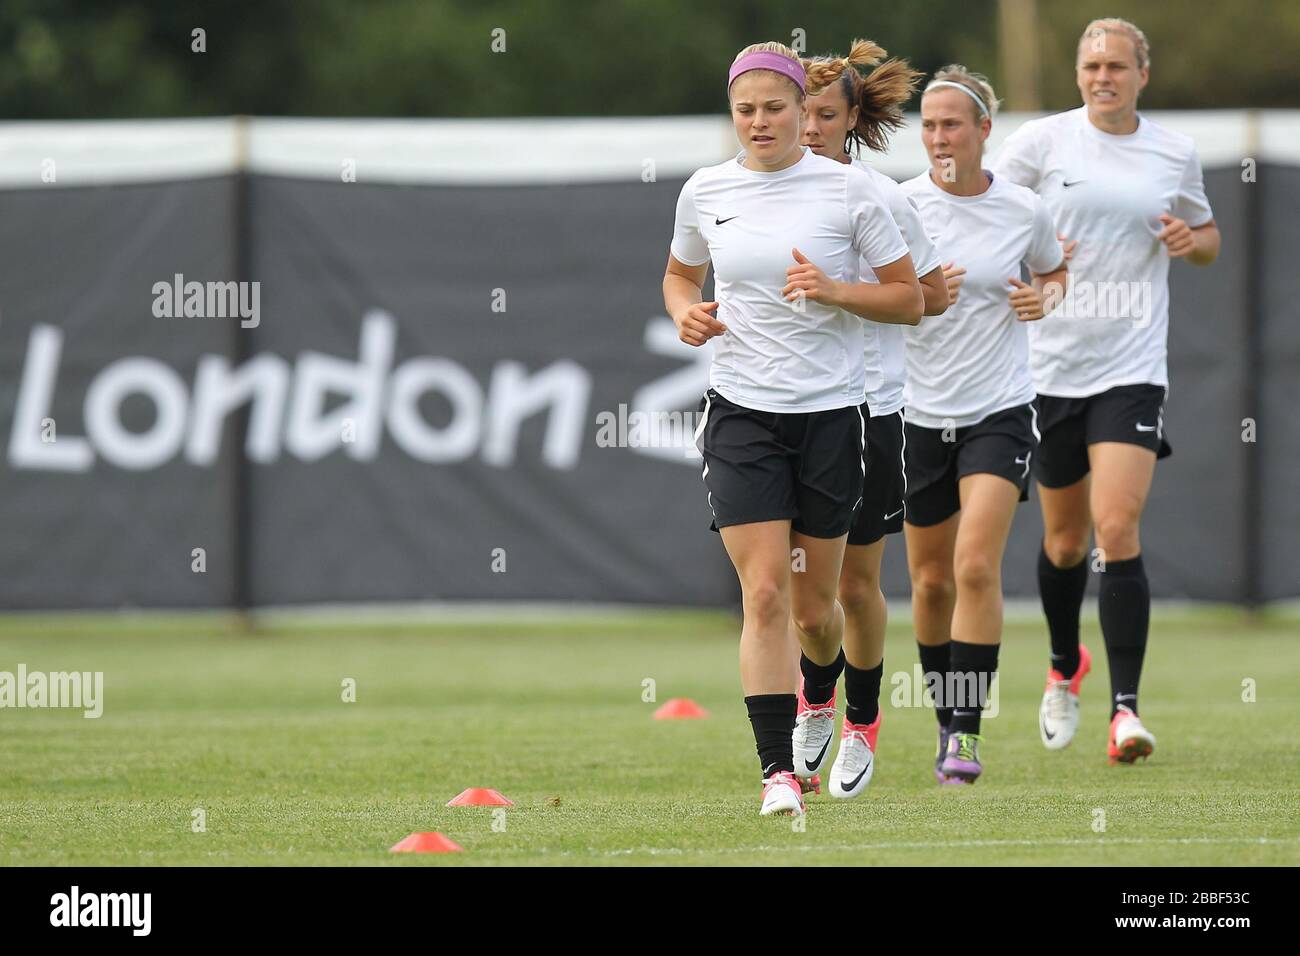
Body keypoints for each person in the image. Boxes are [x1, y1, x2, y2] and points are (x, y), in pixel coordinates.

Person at [664, 41, 922, 816]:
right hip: (741, 412)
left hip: (834, 417)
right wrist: (688, 314)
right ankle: (777, 772)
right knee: (768, 592)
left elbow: (911, 298)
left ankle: (839, 702)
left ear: (801, 111)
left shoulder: (850, 193)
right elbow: (680, 274)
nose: (761, 121)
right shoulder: (705, 190)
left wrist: (837, 290)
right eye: (746, 110)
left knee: (818, 608)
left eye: (775, 107)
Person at [991, 18, 1220, 763]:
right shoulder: (1041, 144)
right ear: (1080, 72)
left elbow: (1207, 237)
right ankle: (1064, 668)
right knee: (1064, 542)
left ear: (1141, 74)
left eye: (1117, 66)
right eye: (1092, 65)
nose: (1102, 78)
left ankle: (1126, 711)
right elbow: (987, 214)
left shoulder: (1173, 152)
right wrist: (1034, 258)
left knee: (1116, 528)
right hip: (1050, 369)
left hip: (1131, 365)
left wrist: (1192, 244)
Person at [900, 65, 1068, 783]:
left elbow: (1055, 271)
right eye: (930, 125)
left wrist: (1045, 298)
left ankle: (966, 735)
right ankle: (947, 716)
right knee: (931, 583)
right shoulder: (897, 205)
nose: (939, 137)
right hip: (914, 413)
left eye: (952, 124)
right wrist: (919, 295)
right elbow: (871, 295)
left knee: (974, 566)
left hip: (998, 410)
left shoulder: (1022, 208)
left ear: (983, 132)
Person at [791, 39, 949, 799]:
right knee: (800, 594)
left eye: (827, 114)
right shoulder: (760, 192)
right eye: (805, 112)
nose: (812, 126)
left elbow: (930, 297)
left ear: (853, 118)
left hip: (870, 411)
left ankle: (859, 721)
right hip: (786, 410)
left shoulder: (881, 197)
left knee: (856, 588)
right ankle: (812, 697)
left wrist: (840, 293)